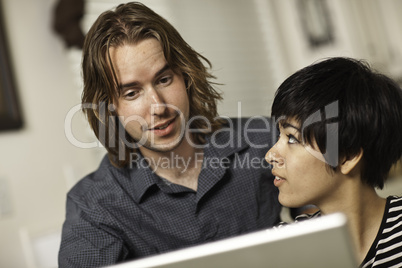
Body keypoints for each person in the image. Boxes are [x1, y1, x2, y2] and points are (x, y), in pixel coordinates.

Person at [59, 2, 281, 267]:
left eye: (164, 79)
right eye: (132, 93)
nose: (159, 107)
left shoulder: (265, 140)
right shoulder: (94, 205)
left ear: (186, 76)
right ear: (109, 107)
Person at [266, 57, 402, 267]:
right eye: (279, 136)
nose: (270, 155)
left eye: (292, 138)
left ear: (346, 156)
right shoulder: (282, 249)